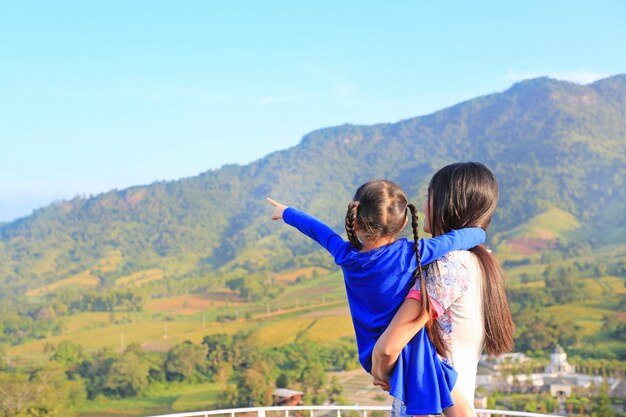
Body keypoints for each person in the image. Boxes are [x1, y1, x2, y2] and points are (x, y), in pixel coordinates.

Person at [267, 179, 485, 416]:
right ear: (403, 222)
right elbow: (456, 240)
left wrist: (286, 212)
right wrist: (479, 233)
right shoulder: (409, 253)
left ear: (356, 222)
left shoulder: (345, 256)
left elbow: (318, 230)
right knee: (446, 392)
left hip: (371, 354)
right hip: (406, 346)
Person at [371, 162, 515, 416]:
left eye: (429, 196)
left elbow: (388, 348)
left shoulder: (450, 265)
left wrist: (380, 371)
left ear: (448, 204)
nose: (425, 205)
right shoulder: (480, 263)